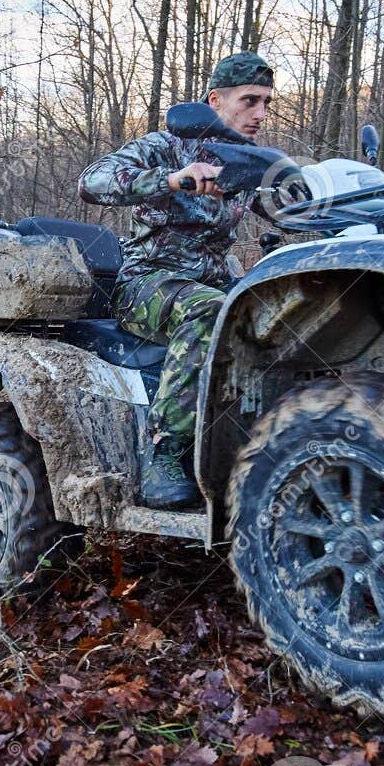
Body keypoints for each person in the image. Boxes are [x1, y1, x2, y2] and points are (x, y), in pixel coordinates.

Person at [78, 51, 274, 509]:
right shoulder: (166, 146)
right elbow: (93, 181)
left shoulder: (248, 162)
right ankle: (165, 453)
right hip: (147, 282)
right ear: (215, 100)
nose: (260, 114)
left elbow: (288, 200)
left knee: (283, 308)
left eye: (266, 102)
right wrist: (171, 180)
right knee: (209, 312)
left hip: (214, 280)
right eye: (249, 101)